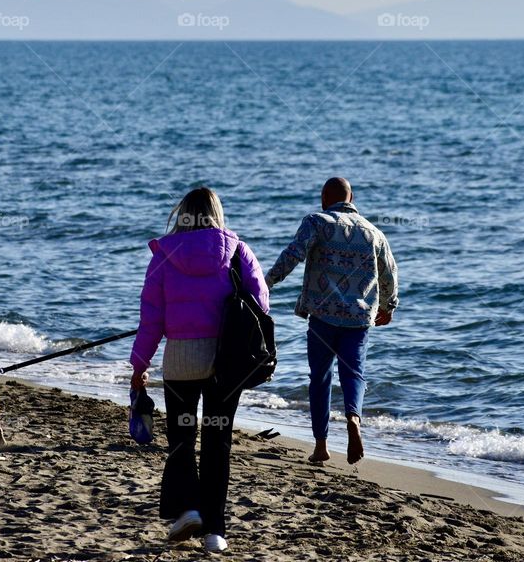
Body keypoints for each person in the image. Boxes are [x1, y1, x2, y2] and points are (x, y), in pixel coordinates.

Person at [129, 187, 269, 554]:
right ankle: (215, 532)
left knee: (182, 439)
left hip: (181, 360)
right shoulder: (238, 251)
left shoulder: (163, 255)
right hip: (226, 361)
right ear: (217, 213)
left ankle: (189, 509)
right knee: (217, 442)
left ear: (183, 214)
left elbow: (151, 319)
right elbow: (260, 304)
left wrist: (139, 364)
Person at [265, 177, 398, 465]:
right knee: (354, 374)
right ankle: (353, 418)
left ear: (325, 198)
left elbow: (293, 255)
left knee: (320, 378)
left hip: (323, 316)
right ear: (352, 198)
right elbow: (389, 274)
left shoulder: (317, 221)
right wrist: (388, 306)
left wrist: (267, 282)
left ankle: (321, 445)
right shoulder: (374, 232)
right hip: (359, 318)